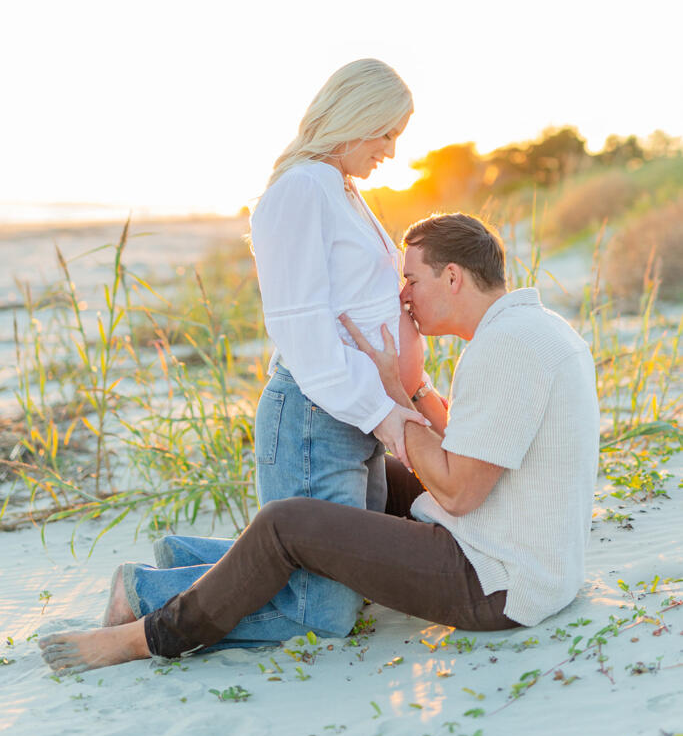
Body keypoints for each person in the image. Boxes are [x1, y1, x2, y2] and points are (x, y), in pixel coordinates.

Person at [40, 212, 600, 672]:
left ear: (452, 277)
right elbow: (472, 445)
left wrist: (392, 401)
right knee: (372, 478)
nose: (403, 296)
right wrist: (414, 389)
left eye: (412, 279)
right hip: (526, 551)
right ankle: (190, 562)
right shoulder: (536, 328)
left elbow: (458, 492)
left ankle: (149, 632)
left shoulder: (503, 349)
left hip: (494, 582)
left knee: (287, 524)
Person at [101, 58, 427, 647]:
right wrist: (385, 414)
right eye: (386, 133)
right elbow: (303, 333)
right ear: (355, 117)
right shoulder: (301, 190)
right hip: (314, 419)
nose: (392, 150)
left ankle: (186, 556)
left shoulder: (341, 188)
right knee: (322, 612)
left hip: (351, 413)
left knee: (345, 576)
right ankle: (143, 591)